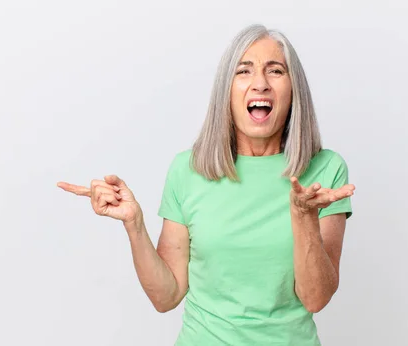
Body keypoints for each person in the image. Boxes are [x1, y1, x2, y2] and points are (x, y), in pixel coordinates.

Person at [57, 24, 355, 346]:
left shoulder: (326, 169)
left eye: (275, 71)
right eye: (244, 71)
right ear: (226, 90)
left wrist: (304, 217)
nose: (260, 84)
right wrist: (134, 224)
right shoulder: (188, 169)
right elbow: (166, 296)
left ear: (294, 89)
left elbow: (316, 298)